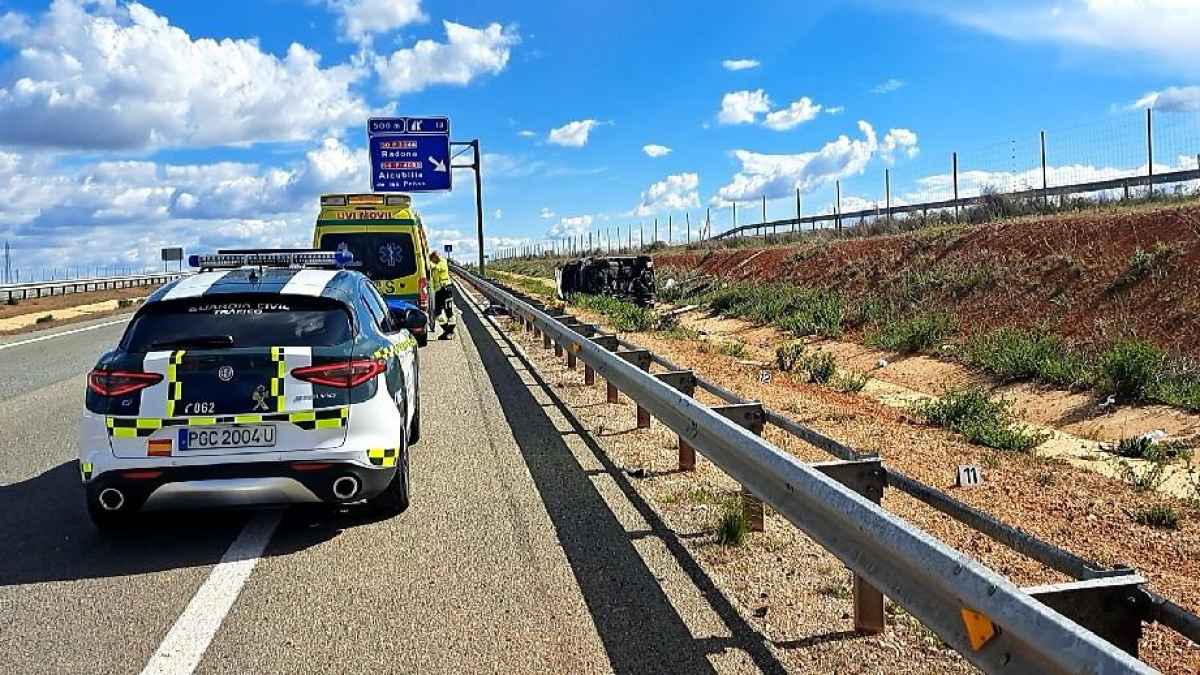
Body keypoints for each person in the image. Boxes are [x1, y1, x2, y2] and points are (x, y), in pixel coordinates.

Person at [428, 251, 455, 339]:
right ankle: (448, 331)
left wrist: (427, 262)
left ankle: (449, 331)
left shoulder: (440, 263)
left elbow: (436, 267)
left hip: (445, 289)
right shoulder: (441, 260)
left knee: (449, 311)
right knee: (438, 312)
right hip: (440, 290)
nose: (438, 258)